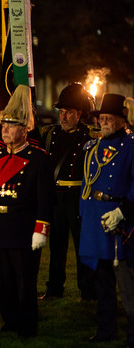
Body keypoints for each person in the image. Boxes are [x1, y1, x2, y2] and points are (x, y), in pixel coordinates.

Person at [0, 84, 54, 337]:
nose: (5, 130)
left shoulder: (38, 159)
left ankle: (27, 325)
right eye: (3, 125)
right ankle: (9, 320)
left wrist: (40, 230)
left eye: (11, 126)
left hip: (24, 227)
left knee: (24, 280)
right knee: (4, 278)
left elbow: (45, 199)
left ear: (25, 129)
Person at [79, 93, 134, 345]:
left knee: (127, 281)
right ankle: (106, 329)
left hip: (121, 218)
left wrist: (123, 210)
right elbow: (86, 184)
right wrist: (84, 213)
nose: (104, 123)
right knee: (102, 280)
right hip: (95, 219)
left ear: (123, 120)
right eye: (102, 118)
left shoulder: (132, 145)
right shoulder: (92, 147)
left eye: (110, 119)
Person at [39, 83, 96, 301]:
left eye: (69, 112)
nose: (63, 116)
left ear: (79, 114)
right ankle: (54, 288)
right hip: (56, 198)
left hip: (78, 198)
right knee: (57, 245)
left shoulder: (89, 136)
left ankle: (88, 290)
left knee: (82, 246)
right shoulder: (50, 134)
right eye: (61, 112)